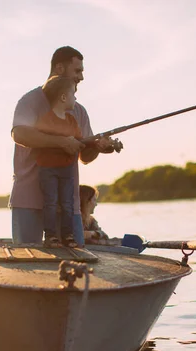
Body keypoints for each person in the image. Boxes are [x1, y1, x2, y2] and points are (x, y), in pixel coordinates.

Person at [10, 46, 117, 245]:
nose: (82, 77)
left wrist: (98, 147)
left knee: (76, 267)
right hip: (28, 201)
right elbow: (19, 134)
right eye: (78, 71)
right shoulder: (29, 101)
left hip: (68, 206)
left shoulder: (79, 111)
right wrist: (60, 142)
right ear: (59, 68)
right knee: (28, 266)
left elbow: (85, 157)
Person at [36, 76, 81, 248]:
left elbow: (80, 141)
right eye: (73, 94)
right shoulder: (45, 120)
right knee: (51, 202)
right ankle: (51, 236)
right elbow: (41, 139)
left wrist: (101, 144)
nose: (75, 98)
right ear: (63, 97)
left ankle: (68, 236)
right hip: (47, 169)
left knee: (67, 203)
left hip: (66, 169)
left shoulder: (72, 121)